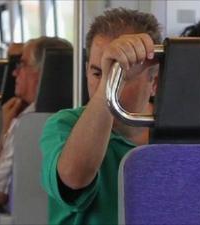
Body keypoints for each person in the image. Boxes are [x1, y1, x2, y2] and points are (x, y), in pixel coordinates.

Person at [40, 8, 161, 224]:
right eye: (98, 73)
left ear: (154, 82)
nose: (101, 87)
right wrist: (110, 81)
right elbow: (75, 178)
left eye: (121, 75)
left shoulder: (180, 134)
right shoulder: (63, 125)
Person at [0, 37, 72, 206]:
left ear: (43, 71)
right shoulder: (81, 117)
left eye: (22, 64)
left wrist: (6, 129)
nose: (14, 73)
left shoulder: (24, 122)